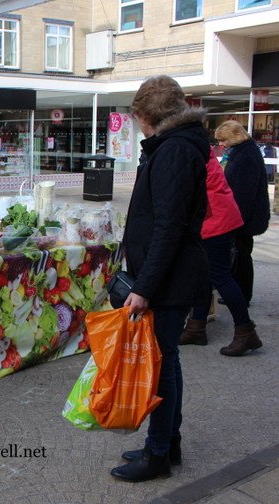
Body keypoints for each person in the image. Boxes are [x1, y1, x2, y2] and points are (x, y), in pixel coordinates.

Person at [111, 76, 209, 482]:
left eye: (137, 116)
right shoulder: (175, 146)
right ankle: (168, 442)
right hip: (172, 274)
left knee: (162, 365)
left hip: (169, 279)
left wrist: (144, 288)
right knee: (168, 360)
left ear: (145, 115)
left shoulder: (173, 151)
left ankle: (158, 454)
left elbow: (169, 226)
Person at [180, 149, 263, 356]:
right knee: (205, 275)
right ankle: (196, 328)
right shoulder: (197, 146)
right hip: (218, 216)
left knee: (220, 276)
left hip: (215, 220)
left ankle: (246, 332)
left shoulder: (189, 149)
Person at [215, 120, 271, 307]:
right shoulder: (243, 151)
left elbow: (245, 193)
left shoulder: (245, 156)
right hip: (244, 215)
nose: (221, 144)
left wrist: (236, 220)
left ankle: (242, 295)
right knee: (240, 254)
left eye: (223, 140)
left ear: (234, 137)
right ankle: (239, 293)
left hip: (244, 216)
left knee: (241, 255)